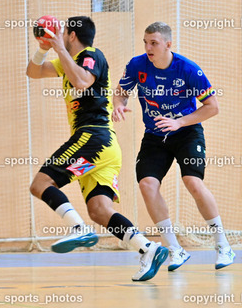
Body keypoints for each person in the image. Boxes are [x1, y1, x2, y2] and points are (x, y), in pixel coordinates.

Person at [26, 16, 168, 282]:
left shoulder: (92, 55)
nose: (60, 35)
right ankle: (148, 248)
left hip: (93, 138)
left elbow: (82, 81)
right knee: (100, 210)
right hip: (103, 148)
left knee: (40, 184)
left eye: (63, 32)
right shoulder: (67, 61)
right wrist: (43, 48)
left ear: (72, 35)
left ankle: (78, 228)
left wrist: (58, 48)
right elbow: (33, 72)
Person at [113, 21, 235, 271]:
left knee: (193, 182)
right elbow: (121, 91)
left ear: (168, 44)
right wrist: (118, 105)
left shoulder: (188, 69)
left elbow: (212, 107)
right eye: (145, 43)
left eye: (154, 43)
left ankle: (223, 244)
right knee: (147, 184)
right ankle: (174, 249)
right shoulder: (137, 65)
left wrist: (179, 122)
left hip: (186, 132)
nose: (148, 48)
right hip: (155, 135)